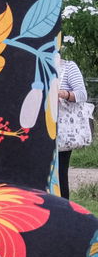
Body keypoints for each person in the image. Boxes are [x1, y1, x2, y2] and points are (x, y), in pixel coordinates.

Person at [56, 54, 90, 197]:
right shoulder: (38, 67)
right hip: (41, 130)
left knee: (60, 173)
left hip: (63, 131)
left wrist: (63, 94)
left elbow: (82, 94)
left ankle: (63, 211)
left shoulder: (69, 67)